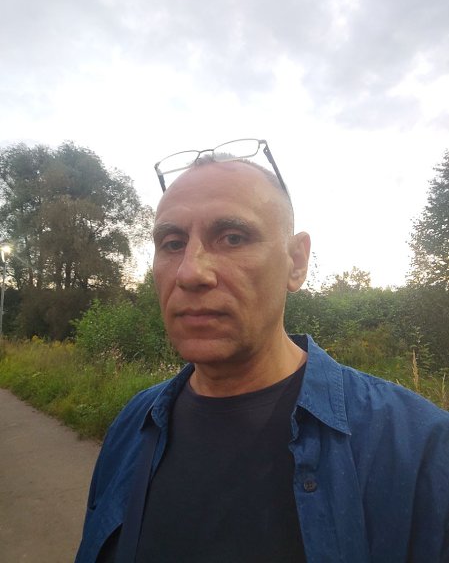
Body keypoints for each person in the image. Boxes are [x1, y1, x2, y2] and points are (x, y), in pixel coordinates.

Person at [76, 142, 449, 563]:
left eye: (233, 238)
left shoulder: (419, 449)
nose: (190, 272)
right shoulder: (134, 424)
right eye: (172, 242)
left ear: (296, 262)